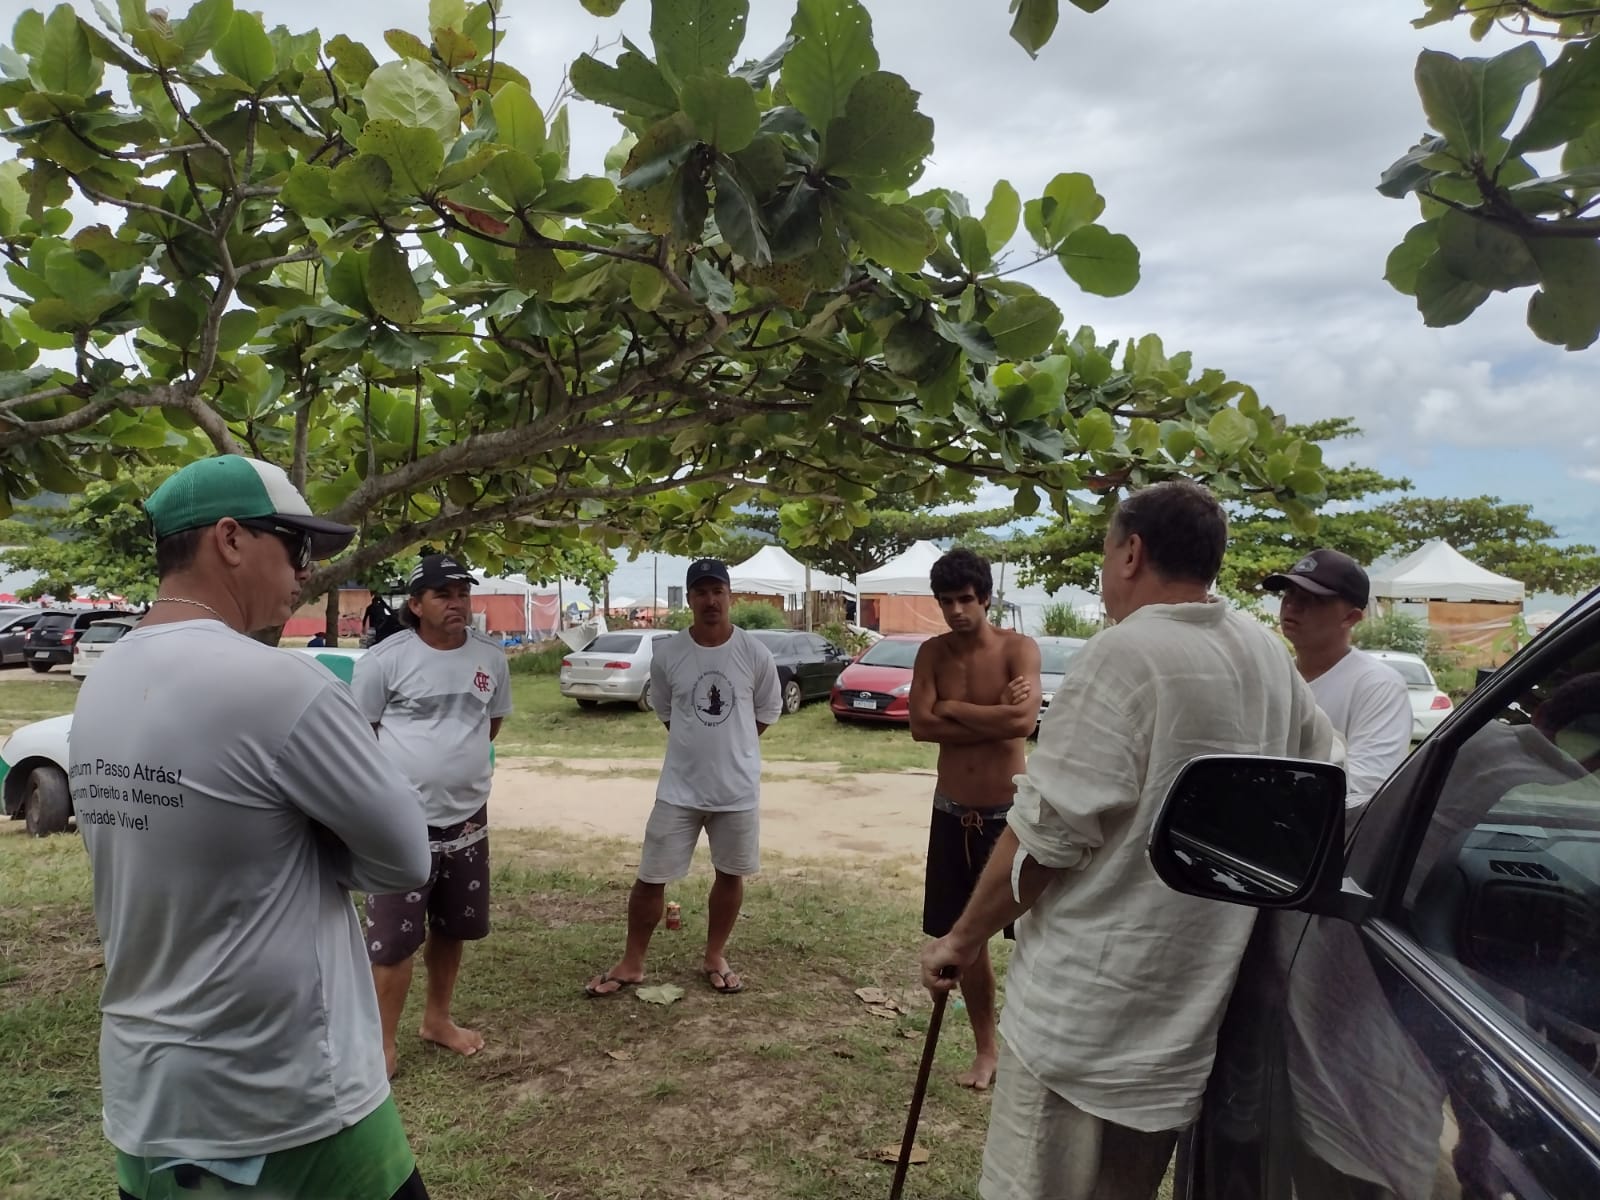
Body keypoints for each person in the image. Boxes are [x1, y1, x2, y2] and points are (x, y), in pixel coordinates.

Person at [919, 479, 1334, 1200]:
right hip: (1188, 1014)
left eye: (1108, 553)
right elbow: (1326, 776)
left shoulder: (1123, 654)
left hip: (1083, 1017)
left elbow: (1045, 838)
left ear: (1132, 552)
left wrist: (960, 939)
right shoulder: (1267, 654)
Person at [70, 454, 434, 1200]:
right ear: (231, 539)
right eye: (295, 546)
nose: (305, 570)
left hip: (147, 1098)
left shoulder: (103, 681)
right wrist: (311, 843)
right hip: (289, 1100)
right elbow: (405, 858)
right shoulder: (283, 685)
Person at [585, 558, 782, 998]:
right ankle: (632, 962)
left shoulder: (755, 653)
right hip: (679, 789)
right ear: (689, 598)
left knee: (730, 874)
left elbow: (766, 712)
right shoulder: (669, 654)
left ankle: (715, 955)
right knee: (650, 876)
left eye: (718, 591)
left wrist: (731, 745)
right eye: (701, 592)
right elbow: (667, 711)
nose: (711, 601)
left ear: (730, 596)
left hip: (736, 789)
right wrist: (700, 744)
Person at [353, 554, 513, 1077]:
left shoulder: (490, 658)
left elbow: (489, 725)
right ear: (416, 605)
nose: (456, 603)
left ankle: (438, 1020)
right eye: (443, 594)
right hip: (401, 823)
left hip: (468, 818)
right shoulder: (385, 661)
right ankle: (382, 1045)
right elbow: (362, 734)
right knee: (393, 940)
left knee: (452, 925)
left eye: (462, 593)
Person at [909, 547, 1040, 1091]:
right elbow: (920, 725)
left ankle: (1034, 1043)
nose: (957, 611)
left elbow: (1023, 723)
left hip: (1009, 816)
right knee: (965, 937)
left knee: (1034, 930)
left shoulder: (1018, 648)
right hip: (952, 812)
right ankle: (987, 1049)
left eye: (966, 599)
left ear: (985, 598)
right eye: (947, 602)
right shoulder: (932, 654)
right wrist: (993, 713)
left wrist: (953, 708)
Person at [1265, 548, 1412, 807]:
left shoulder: (1378, 685)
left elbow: (1367, 788)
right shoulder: (1272, 677)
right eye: (1289, 593)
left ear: (1351, 617)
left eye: (1312, 598)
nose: (1292, 605)